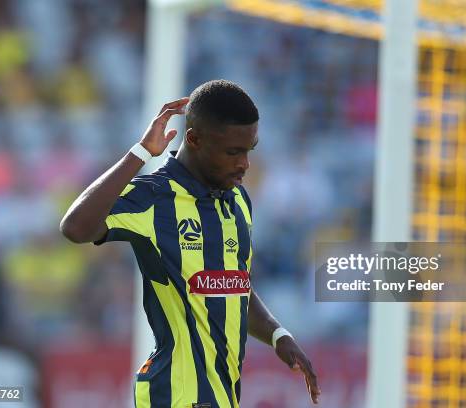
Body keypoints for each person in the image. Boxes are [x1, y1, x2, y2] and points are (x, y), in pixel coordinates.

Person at [60, 80, 321, 407]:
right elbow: (75, 227)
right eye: (233, 152)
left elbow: (234, 287)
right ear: (194, 139)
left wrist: (278, 335)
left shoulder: (238, 201)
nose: (244, 164)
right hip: (174, 395)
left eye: (248, 150)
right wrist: (140, 153)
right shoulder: (154, 198)